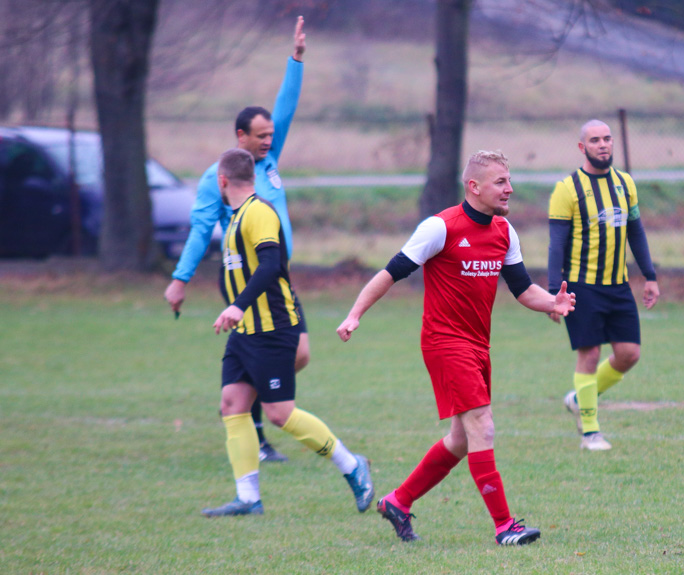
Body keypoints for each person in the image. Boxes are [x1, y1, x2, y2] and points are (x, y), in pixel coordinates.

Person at [337, 150, 575, 546]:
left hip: (479, 344)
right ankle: (505, 527)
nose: (509, 188)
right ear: (474, 186)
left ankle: (398, 500)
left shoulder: (504, 231)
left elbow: (522, 289)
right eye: (501, 182)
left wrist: (553, 302)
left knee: (461, 440)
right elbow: (390, 272)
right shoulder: (440, 227)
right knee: (483, 426)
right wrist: (354, 314)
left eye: (509, 180)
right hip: (445, 342)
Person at [164, 16, 309, 463]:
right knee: (283, 354)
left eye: (271, 135)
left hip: (277, 275)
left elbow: (285, 108)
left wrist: (296, 60)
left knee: (298, 354)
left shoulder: (267, 162)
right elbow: (197, 230)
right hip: (250, 280)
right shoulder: (217, 179)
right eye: (260, 136)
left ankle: (254, 419)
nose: (269, 141)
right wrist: (179, 278)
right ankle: (257, 433)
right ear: (240, 136)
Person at [201, 148, 374, 517]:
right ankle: (248, 498)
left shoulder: (258, 212)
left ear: (221, 180)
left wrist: (238, 305)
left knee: (279, 413)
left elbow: (269, 266)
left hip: (273, 329)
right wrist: (233, 309)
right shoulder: (233, 218)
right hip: (245, 332)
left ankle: (351, 464)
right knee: (233, 405)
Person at [547, 119, 660, 451]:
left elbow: (635, 232)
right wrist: (556, 292)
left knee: (629, 354)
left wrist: (649, 275)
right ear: (583, 147)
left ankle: (581, 398)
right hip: (582, 286)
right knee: (590, 353)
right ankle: (590, 432)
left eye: (607, 139)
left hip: (619, 286)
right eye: (595, 140)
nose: (603, 144)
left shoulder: (625, 183)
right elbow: (556, 245)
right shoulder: (566, 189)